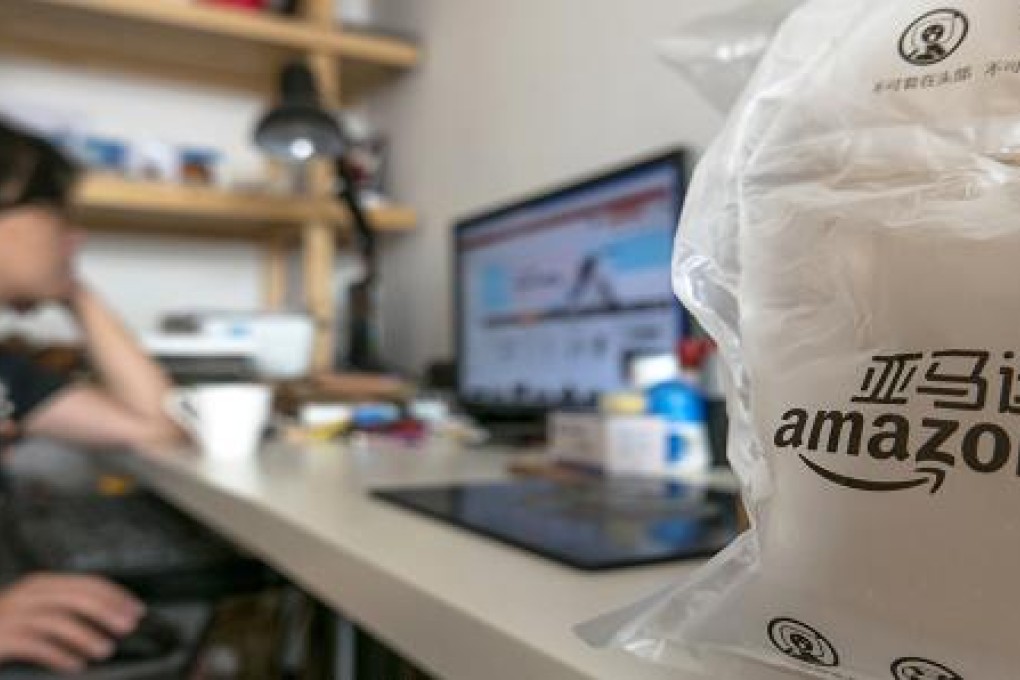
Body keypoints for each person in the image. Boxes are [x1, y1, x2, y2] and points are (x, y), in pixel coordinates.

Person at [0, 118, 186, 672]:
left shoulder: (8, 377)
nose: (75, 238)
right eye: (61, 216)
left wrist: (74, 291)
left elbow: (157, 422)